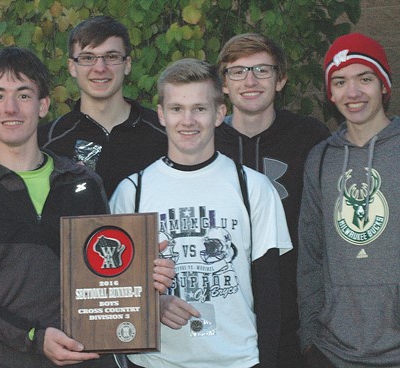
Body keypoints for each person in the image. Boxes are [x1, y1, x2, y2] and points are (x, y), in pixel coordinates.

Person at [0, 46, 174, 367]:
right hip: (2, 360)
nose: (11, 108)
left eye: (24, 95)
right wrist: (31, 336)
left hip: (85, 356)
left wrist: (144, 278)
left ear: (43, 104)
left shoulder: (82, 181)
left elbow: (104, 275)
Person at [110, 58, 292, 368]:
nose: (188, 120)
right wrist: (154, 303)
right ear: (161, 114)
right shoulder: (132, 192)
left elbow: (270, 293)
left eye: (200, 108)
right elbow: (114, 290)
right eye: (177, 108)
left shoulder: (254, 188)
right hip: (156, 362)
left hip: (236, 360)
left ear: (220, 113)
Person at [215, 33, 330, 367]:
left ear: (281, 80)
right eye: (237, 71)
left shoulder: (311, 138)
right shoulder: (206, 142)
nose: (250, 81)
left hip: (293, 316)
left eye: (262, 70)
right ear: (223, 83)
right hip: (223, 316)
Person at [298, 33, 400, 367]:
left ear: (384, 85)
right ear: (330, 93)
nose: (352, 93)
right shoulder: (321, 158)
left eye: (364, 79)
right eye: (340, 81)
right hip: (333, 349)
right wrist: (309, 336)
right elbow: (311, 252)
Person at [38, 16, 167, 198]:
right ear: (72, 67)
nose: (100, 68)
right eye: (88, 57)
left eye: (111, 57)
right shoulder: (47, 143)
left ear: (127, 65)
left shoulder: (164, 134)